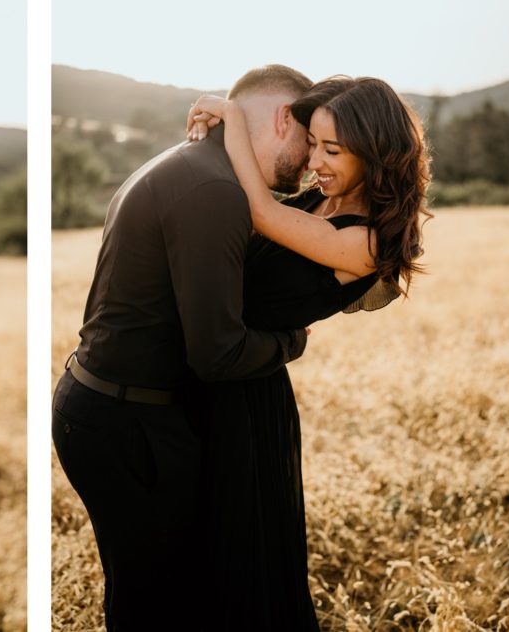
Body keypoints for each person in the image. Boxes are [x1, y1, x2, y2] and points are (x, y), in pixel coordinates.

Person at [52, 64, 314, 631]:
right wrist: (290, 341)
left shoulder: (194, 165)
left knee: (158, 591)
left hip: (112, 408)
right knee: (156, 603)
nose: (312, 158)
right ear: (282, 119)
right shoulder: (214, 190)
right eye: (310, 138)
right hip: (128, 423)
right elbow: (216, 354)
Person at [184, 75, 430, 629]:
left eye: (333, 150)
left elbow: (262, 214)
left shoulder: (368, 241)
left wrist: (235, 120)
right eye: (313, 143)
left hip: (248, 402)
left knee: (247, 560)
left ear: (377, 152)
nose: (314, 160)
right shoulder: (323, 198)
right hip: (223, 368)